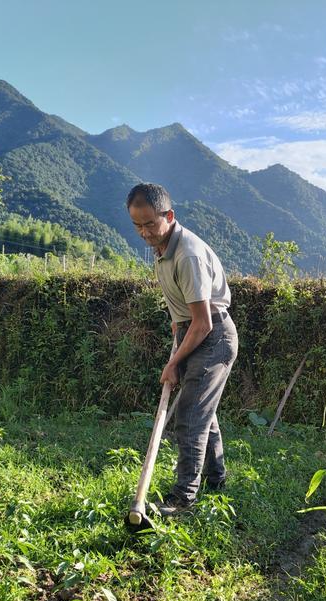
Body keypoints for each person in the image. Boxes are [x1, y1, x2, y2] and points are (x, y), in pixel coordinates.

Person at [126, 183, 238, 517]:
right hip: (193, 332)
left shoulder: (187, 254)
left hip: (213, 336)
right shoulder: (162, 251)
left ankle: (184, 500)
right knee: (204, 413)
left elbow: (202, 322)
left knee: (190, 418)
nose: (144, 232)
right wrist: (176, 342)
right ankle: (216, 479)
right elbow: (182, 313)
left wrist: (174, 362)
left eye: (150, 224)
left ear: (169, 216)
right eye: (137, 226)